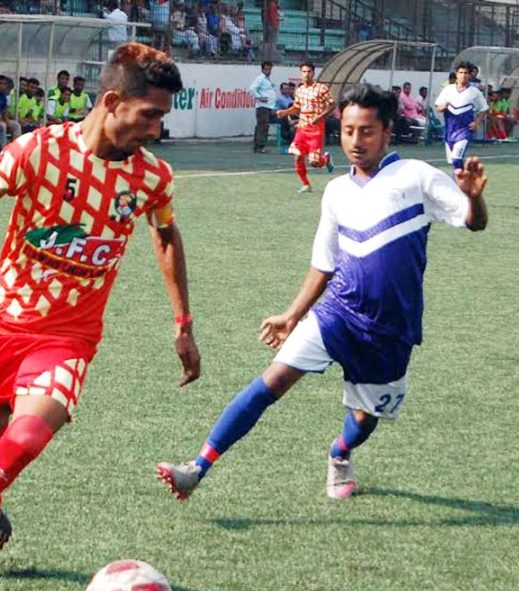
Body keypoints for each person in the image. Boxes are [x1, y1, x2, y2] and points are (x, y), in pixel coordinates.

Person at [0, 42, 201, 591]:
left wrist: (184, 325)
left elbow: (165, 238)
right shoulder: (38, 151)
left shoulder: (152, 178)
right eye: (150, 114)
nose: (156, 128)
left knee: (23, 441)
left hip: (69, 336)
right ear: (113, 101)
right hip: (0, 324)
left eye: (162, 117)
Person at [157, 83, 488, 502]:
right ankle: (197, 467)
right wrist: (292, 315)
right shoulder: (336, 191)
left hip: (389, 327)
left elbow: (473, 222)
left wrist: (475, 200)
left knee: (365, 416)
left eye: (366, 131)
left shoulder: (417, 176)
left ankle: (340, 452)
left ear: (387, 131)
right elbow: (324, 263)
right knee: (271, 381)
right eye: (348, 130)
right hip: (338, 311)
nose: (355, 141)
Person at [276, 62, 335, 193]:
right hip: (302, 129)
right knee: (297, 156)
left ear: (313, 73)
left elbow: (332, 105)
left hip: (316, 130)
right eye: (304, 72)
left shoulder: (321, 89)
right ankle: (306, 184)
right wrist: (285, 112)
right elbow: (297, 108)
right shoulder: (300, 90)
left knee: (314, 162)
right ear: (300, 73)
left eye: (309, 72)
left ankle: (325, 160)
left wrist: (320, 117)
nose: (306, 74)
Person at [434, 62, 488, 169]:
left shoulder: (474, 92)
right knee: (453, 162)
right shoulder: (448, 89)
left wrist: (477, 122)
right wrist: (444, 106)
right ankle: (459, 181)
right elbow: (438, 108)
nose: (463, 75)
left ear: (470, 75)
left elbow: (484, 109)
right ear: (457, 74)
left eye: (466, 73)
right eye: (461, 72)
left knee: (456, 158)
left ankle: (459, 183)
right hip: (450, 130)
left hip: (464, 130)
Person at [248, 60, 276, 153]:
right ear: (263, 69)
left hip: (268, 106)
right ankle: (259, 146)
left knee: (263, 126)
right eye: (267, 69)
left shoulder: (268, 79)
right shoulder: (260, 78)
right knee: (262, 126)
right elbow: (252, 89)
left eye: (270, 69)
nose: (269, 71)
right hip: (262, 106)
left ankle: (260, 145)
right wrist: (259, 98)